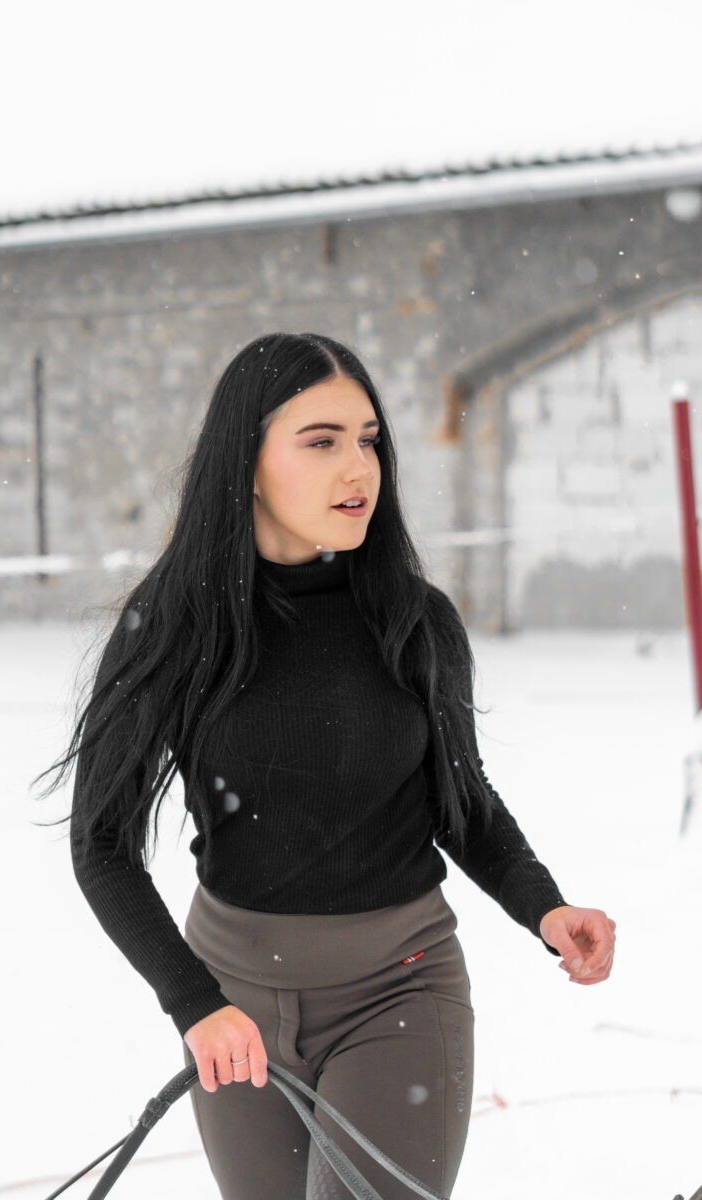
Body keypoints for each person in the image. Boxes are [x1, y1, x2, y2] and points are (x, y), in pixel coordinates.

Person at [34, 331, 616, 1200]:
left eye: (369, 441)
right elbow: (102, 845)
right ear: (246, 461)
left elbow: (460, 804)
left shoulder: (412, 620)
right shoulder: (174, 629)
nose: (358, 468)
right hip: (231, 1006)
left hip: (399, 994)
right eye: (321, 441)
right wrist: (195, 1003)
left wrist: (546, 904)